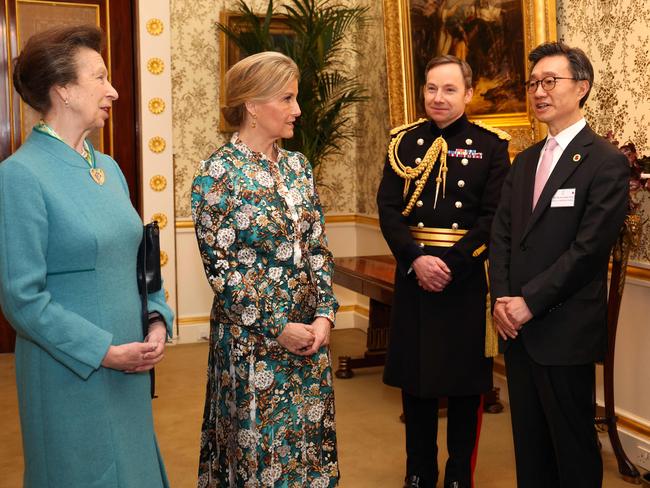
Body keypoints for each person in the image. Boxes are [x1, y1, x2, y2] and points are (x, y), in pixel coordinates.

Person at [0, 25, 174, 487]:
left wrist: (156, 318)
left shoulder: (109, 168)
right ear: (63, 91)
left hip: (129, 367)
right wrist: (103, 352)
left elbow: (141, 263)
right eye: (99, 78)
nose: (113, 91)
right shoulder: (20, 175)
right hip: (69, 373)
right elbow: (23, 299)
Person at [191, 51, 339, 487]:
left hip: (310, 337)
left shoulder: (298, 167)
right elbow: (224, 272)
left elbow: (317, 247)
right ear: (252, 105)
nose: (297, 109)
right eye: (287, 98)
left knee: (309, 449)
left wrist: (325, 313)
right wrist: (278, 327)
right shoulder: (217, 173)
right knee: (259, 452)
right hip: (252, 343)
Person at [489, 42, 629, 488]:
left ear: (581, 87)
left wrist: (529, 301)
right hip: (517, 329)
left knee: (572, 449)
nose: (538, 91)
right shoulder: (525, 160)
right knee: (529, 449)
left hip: (563, 330)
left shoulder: (605, 162)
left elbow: (588, 251)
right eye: (533, 83)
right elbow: (503, 236)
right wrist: (502, 301)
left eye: (550, 81)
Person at [377, 55, 510, 488]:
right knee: (415, 383)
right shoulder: (403, 142)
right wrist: (416, 259)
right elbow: (389, 210)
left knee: (465, 386)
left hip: (463, 282)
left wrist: (448, 265)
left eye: (449, 89)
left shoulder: (490, 145)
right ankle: (419, 471)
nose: (438, 97)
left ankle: (457, 475)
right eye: (432, 88)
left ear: (469, 94)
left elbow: (493, 218)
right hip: (415, 277)